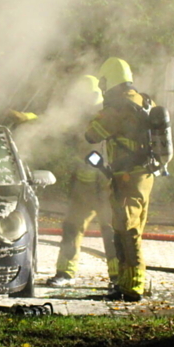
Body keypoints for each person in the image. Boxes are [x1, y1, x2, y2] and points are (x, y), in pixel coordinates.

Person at [84, 58, 155, 301]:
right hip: (143, 175)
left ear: (108, 81)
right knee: (130, 227)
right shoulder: (145, 100)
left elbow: (92, 134)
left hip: (127, 177)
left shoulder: (118, 108)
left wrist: (96, 114)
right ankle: (128, 284)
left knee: (127, 230)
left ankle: (132, 288)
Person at [46, 75, 117, 288]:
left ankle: (117, 277)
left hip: (106, 186)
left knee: (111, 231)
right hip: (83, 186)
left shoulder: (107, 116)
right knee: (72, 227)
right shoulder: (79, 119)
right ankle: (65, 273)